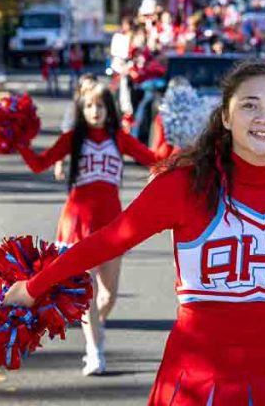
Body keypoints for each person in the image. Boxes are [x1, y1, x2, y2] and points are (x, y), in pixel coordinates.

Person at [4, 62, 265, 404]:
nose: (263, 117)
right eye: (249, 105)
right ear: (225, 116)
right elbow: (111, 238)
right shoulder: (183, 185)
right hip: (198, 378)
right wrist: (35, 286)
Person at [15, 83, 163, 375]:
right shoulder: (72, 139)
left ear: (109, 109)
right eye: (89, 106)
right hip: (77, 223)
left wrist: (177, 146)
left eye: (100, 106)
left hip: (112, 224)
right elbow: (39, 165)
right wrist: (21, 143)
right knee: (88, 294)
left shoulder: (119, 139)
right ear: (81, 110)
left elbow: (155, 160)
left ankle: (97, 326)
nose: (95, 111)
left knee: (109, 296)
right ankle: (94, 352)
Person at [54, 73, 99, 181]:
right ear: (80, 90)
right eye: (86, 88)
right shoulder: (74, 108)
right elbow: (65, 138)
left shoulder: (106, 109)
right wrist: (59, 164)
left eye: (93, 87)